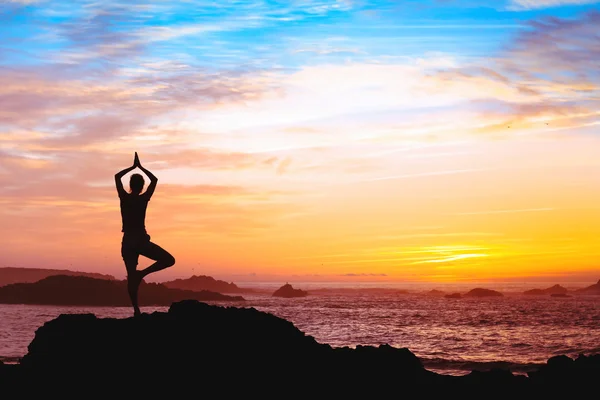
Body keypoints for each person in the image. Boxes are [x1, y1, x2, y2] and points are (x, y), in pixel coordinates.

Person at [115, 152, 175, 316]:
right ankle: (142, 274)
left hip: (128, 241)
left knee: (131, 277)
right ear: (141, 186)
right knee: (169, 260)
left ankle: (136, 309)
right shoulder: (143, 199)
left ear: (130, 185)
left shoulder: (124, 198)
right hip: (140, 239)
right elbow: (154, 180)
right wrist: (141, 167)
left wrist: (132, 167)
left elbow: (117, 176)